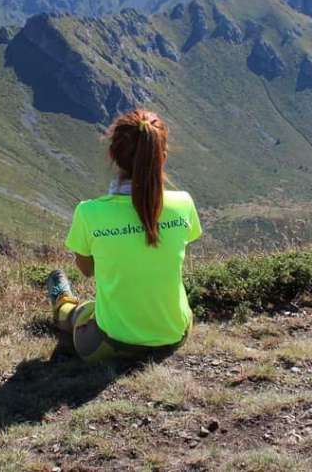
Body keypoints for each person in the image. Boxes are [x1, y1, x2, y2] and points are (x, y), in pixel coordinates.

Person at [45, 109, 202, 362]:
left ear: (112, 155)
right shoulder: (183, 203)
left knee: (83, 313)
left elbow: (87, 270)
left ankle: (63, 305)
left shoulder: (89, 212)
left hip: (110, 344)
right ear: (162, 157)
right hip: (175, 334)